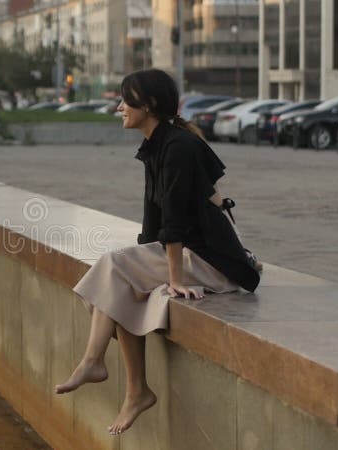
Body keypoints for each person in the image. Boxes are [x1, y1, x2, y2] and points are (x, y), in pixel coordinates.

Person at [54, 69, 260, 435]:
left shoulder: (178, 146)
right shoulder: (159, 143)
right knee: (121, 281)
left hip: (213, 261)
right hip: (196, 252)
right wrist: (145, 263)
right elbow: (156, 219)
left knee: (114, 268)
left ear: (148, 105)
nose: (119, 107)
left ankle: (94, 362)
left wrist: (174, 279)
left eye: (125, 100)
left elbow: (176, 220)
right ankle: (135, 390)